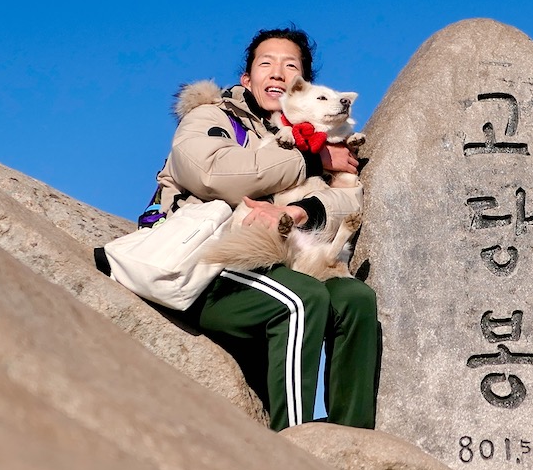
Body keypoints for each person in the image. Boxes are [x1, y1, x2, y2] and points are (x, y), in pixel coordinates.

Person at [148, 28, 379, 432]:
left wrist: (303, 209)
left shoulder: (323, 137)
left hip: (285, 258)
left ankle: (352, 439)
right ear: (246, 79)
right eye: (265, 63)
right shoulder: (210, 118)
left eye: (291, 66)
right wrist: (312, 161)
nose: (278, 73)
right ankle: (295, 442)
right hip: (211, 269)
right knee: (302, 298)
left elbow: (350, 199)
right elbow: (212, 174)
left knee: (355, 297)